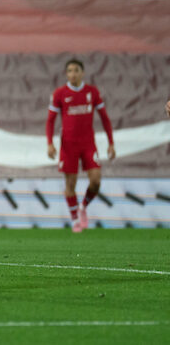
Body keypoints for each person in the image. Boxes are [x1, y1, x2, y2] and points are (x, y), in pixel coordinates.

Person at [46, 59, 115, 233]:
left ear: (82, 72)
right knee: (70, 184)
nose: (73, 74)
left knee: (96, 180)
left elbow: (105, 118)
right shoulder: (60, 93)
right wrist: (50, 143)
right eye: (69, 71)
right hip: (68, 145)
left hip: (88, 143)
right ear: (66, 74)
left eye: (76, 70)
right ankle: (76, 219)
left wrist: (111, 143)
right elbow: (50, 120)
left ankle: (83, 207)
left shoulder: (92, 92)